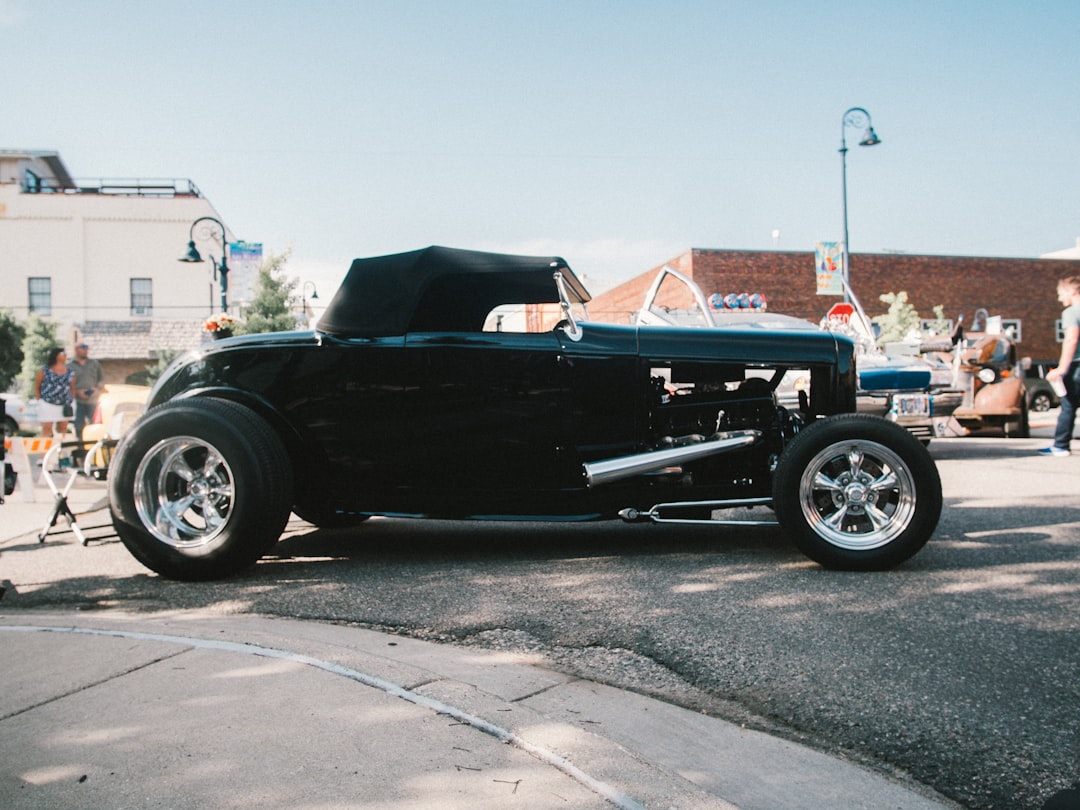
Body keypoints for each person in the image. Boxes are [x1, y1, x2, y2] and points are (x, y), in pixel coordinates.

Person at [1040, 276, 1080, 457]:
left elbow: (1071, 339)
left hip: (1077, 366)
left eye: (1060, 293)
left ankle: (1061, 445)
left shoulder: (1072, 312)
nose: (1059, 298)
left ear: (1073, 291)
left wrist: (1062, 368)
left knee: (1069, 405)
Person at [33, 347, 76, 438]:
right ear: (56, 355)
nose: (65, 355)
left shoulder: (70, 372)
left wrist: (71, 399)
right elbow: (37, 385)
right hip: (47, 402)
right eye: (62, 353)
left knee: (62, 428)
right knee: (47, 428)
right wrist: (39, 399)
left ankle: (59, 449)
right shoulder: (45, 370)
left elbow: (72, 387)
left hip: (64, 403)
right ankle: (44, 451)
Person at [69, 341, 105, 442]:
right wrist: (77, 391)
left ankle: (94, 445)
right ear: (76, 349)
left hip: (93, 400)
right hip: (77, 401)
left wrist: (96, 389)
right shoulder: (70, 366)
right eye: (83, 347)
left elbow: (101, 379)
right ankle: (81, 447)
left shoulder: (94, 364)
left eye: (87, 348)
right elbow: (67, 383)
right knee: (79, 425)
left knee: (95, 424)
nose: (85, 350)